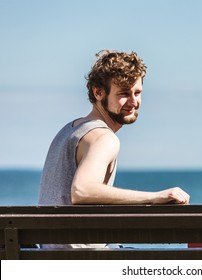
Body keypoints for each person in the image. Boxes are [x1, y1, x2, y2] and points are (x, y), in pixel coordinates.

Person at [39, 50, 190, 248]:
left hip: (48, 254)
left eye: (137, 93)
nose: (133, 102)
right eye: (123, 94)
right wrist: (155, 197)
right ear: (98, 92)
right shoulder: (104, 137)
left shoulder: (70, 129)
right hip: (81, 261)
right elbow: (82, 191)